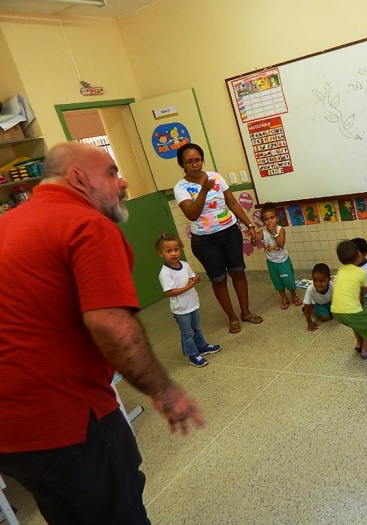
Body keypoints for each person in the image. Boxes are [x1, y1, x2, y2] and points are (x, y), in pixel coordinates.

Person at [0, 143, 204, 524]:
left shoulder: (7, 225)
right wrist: (163, 390)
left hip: (10, 438)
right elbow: (110, 323)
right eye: (111, 172)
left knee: (65, 513)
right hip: (68, 420)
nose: (123, 181)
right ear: (77, 178)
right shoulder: (86, 224)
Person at [174, 143, 263, 334]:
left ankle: (246, 312)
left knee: (238, 273)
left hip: (230, 233)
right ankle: (232, 318)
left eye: (198, 160)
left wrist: (250, 226)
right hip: (205, 241)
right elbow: (192, 214)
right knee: (219, 279)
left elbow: (232, 203)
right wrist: (204, 191)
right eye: (189, 162)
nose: (195, 164)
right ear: (182, 164)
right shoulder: (180, 188)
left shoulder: (216, 177)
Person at [156, 233, 221, 368]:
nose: (174, 253)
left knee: (196, 328)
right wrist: (188, 287)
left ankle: (202, 346)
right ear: (161, 253)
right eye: (169, 251)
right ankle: (192, 354)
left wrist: (195, 279)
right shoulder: (165, 273)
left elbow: (192, 278)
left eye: (176, 249)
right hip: (181, 310)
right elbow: (169, 292)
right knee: (188, 333)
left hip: (192, 304)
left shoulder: (184, 265)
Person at [331, 240, 367, 359]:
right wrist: (366, 307)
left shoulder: (341, 270)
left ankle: (360, 344)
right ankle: (366, 350)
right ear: (359, 254)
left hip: (336, 311)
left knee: (357, 324)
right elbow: (361, 293)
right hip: (351, 310)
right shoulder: (360, 272)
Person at [260, 202, 301, 309]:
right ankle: (284, 298)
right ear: (263, 221)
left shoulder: (280, 230)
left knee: (289, 280)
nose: (269, 221)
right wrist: (253, 237)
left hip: (283, 262)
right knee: (277, 282)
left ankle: (294, 296)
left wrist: (274, 233)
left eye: (272, 218)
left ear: (277, 218)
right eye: (266, 219)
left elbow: (281, 243)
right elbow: (255, 242)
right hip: (271, 263)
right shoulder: (263, 232)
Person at [302, 263, 334, 332]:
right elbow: (307, 305)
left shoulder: (333, 286)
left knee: (338, 315)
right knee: (325, 318)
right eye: (315, 280)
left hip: (331, 302)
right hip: (319, 304)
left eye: (322, 280)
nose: (318, 284)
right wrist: (309, 322)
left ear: (329, 279)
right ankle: (313, 309)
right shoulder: (310, 289)